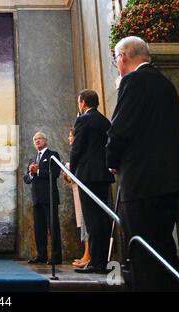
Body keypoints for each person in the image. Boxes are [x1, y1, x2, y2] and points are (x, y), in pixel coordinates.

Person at [107, 36, 179, 291]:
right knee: (165, 251)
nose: (116, 64)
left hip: (142, 184)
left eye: (115, 59)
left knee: (142, 252)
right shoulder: (165, 84)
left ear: (123, 57)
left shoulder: (133, 81)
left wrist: (111, 160)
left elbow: (119, 131)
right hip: (169, 184)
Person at [70, 89, 114, 274]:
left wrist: (71, 170)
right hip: (103, 175)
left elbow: (77, 148)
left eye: (79, 102)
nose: (78, 105)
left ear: (83, 103)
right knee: (103, 218)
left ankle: (95, 263)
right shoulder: (105, 120)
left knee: (92, 219)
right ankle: (102, 261)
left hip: (87, 175)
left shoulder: (83, 120)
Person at [23, 132, 62, 265]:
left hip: (49, 197)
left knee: (53, 228)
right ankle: (41, 256)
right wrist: (31, 173)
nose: (37, 141)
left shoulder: (53, 155)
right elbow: (26, 179)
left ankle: (56, 257)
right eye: (35, 139)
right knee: (39, 229)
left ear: (46, 140)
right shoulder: (32, 159)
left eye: (39, 138)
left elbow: (55, 173)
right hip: (36, 199)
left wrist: (38, 171)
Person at [63, 128, 90, 268]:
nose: (68, 138)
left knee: (87, 222)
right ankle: (86, 253)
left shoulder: (81, 151)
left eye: (70, 136)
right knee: (83, 223)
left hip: (85, 189)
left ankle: (88, 254)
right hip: (77, 191)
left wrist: (70, 171)